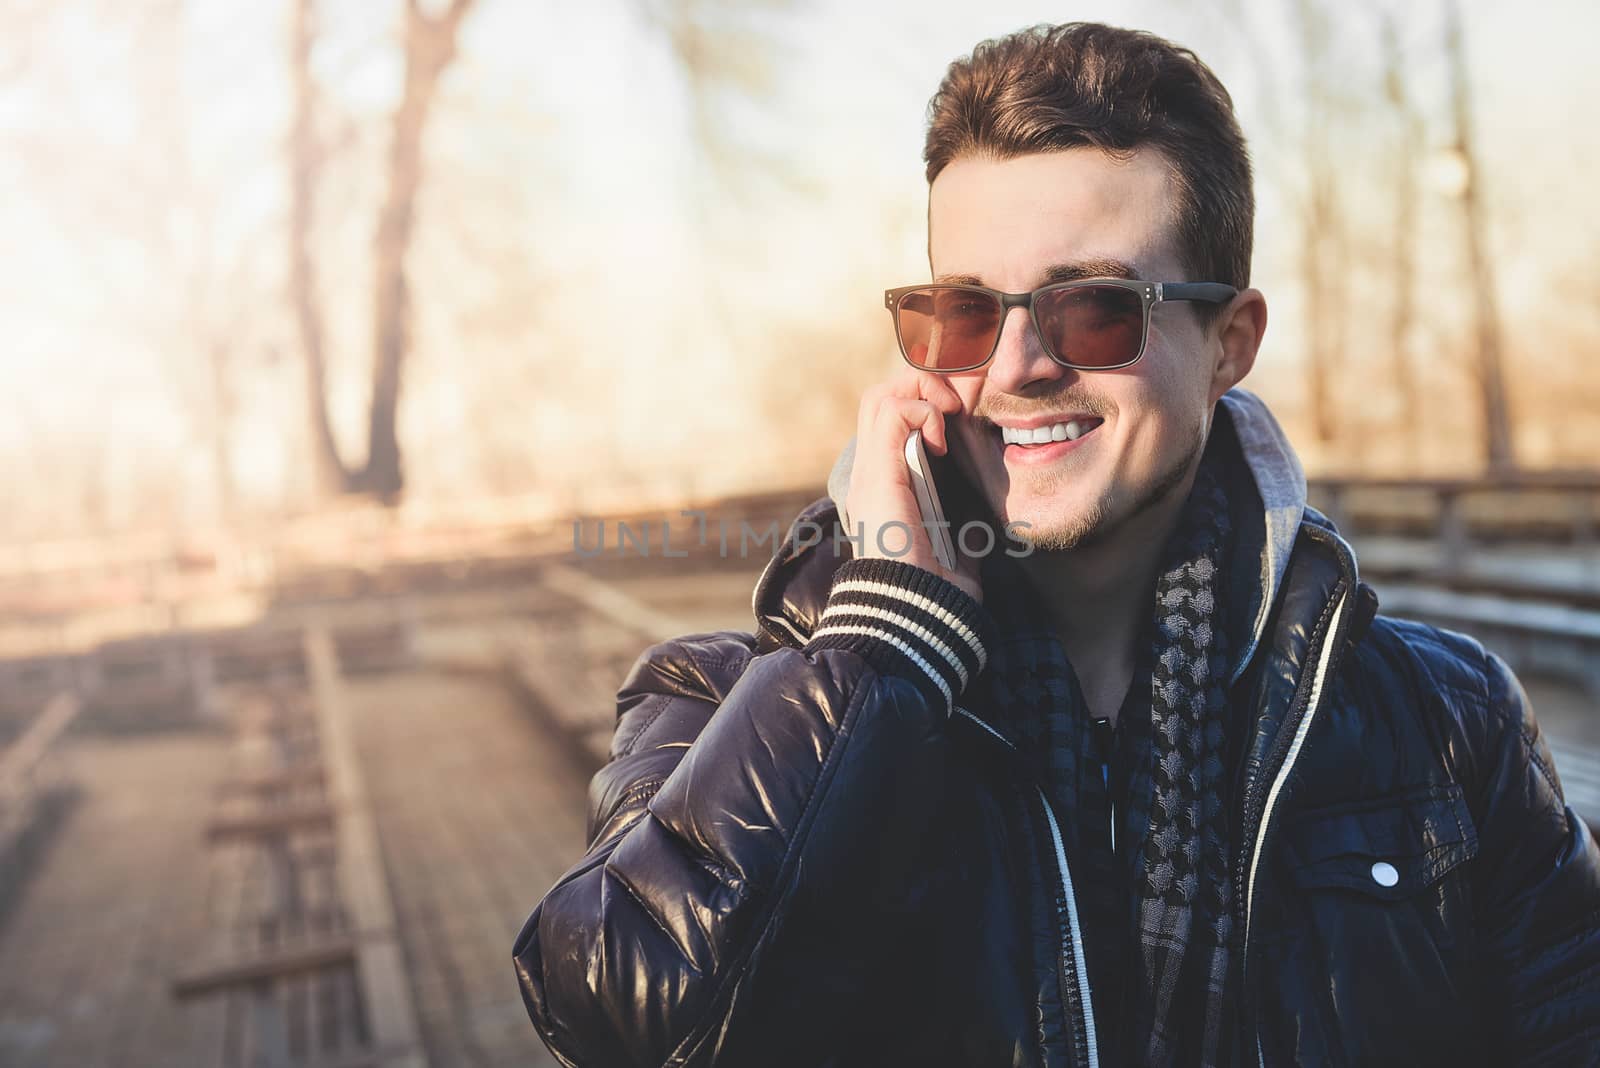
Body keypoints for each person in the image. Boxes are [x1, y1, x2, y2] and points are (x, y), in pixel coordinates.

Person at [513, 21, 1600, 1067]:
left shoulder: (1446, 726)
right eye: (968, 312)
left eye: (1093, 309)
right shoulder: (719, 704)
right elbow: (619, 1025)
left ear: (1229, 343)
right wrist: (882, 648)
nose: (1017, 365)